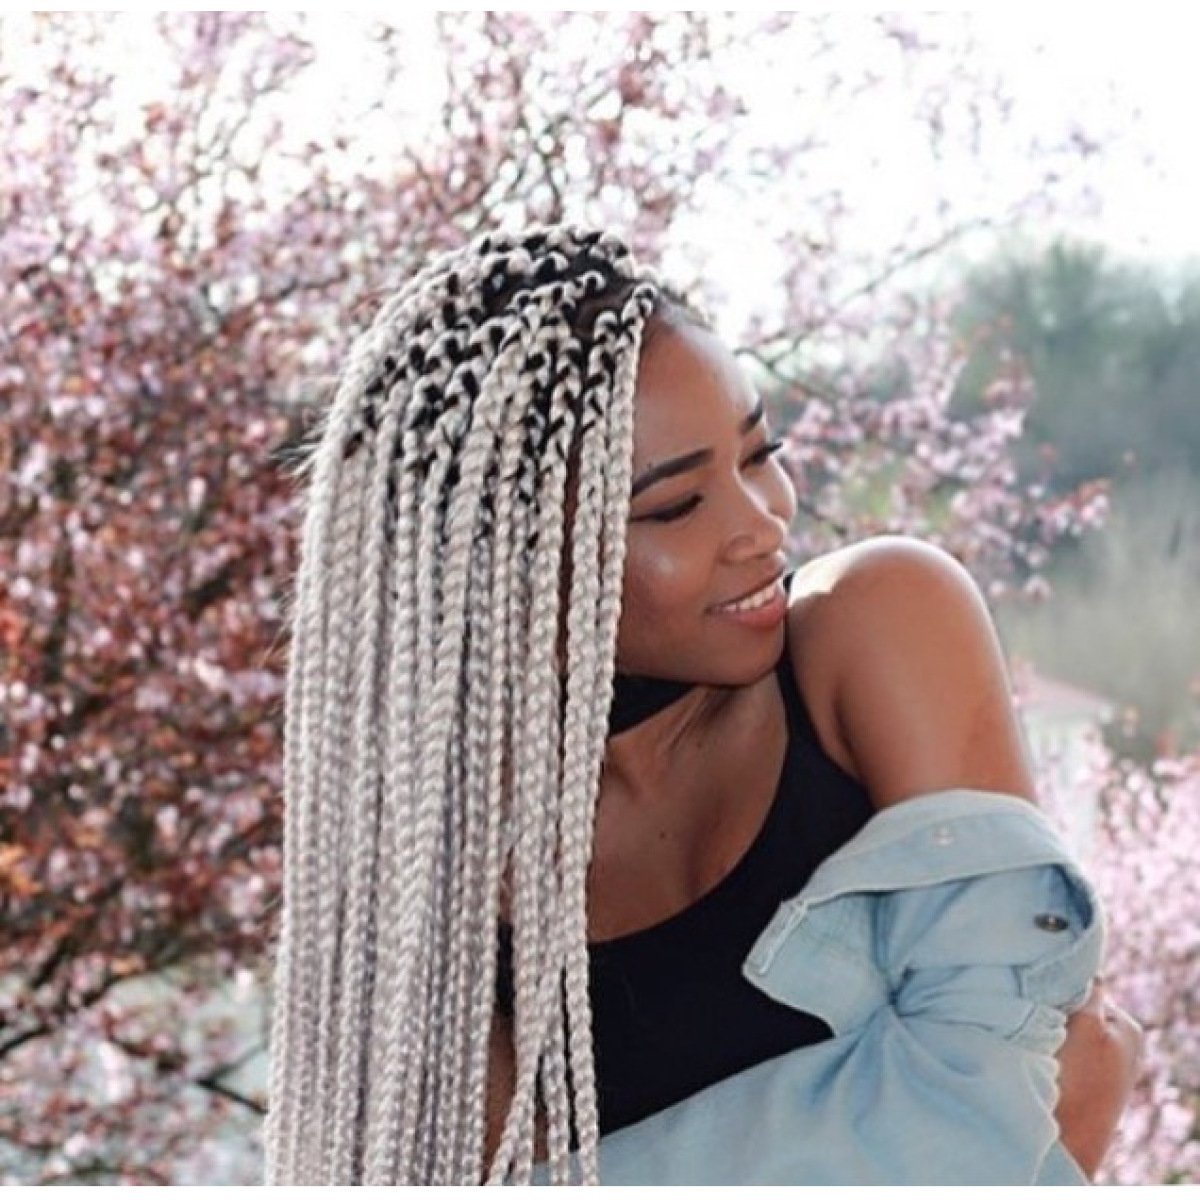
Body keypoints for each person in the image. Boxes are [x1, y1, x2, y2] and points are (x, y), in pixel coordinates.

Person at [264, 227, 1141, 1185]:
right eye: (674, 507)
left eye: (760, 453)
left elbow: (998, 1096)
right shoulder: (442, 879)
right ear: (501, 566)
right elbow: (1010, 1131)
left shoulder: (880, 623)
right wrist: (978, 1130)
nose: (762, 522)